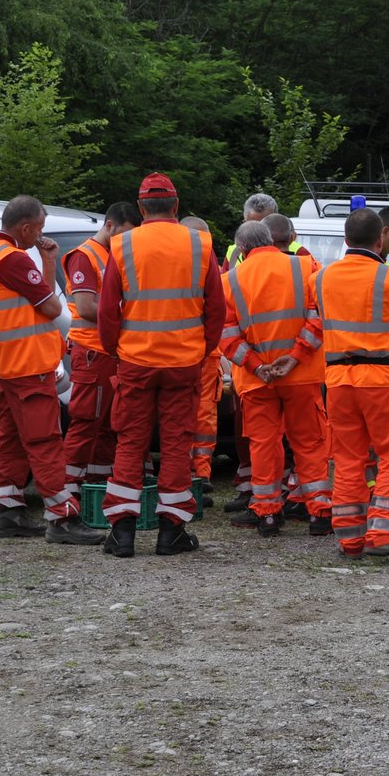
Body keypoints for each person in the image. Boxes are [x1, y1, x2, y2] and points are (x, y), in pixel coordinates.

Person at [99, 174, 225, 557]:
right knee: (176, 444)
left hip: (136, 359)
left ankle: (122, 533)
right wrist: (203, 349)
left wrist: (116, 351)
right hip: (184, 361)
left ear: (140, 209)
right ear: (176, 206)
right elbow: (216, 308)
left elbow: (107, 311)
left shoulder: (121, 246)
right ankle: (171, 532)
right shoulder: (200, 244)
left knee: (130, 442)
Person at [0, 196, 104, 544]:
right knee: (45, 440)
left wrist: (47, 261)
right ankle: (62, 517)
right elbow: (49, 306)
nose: (40, 235)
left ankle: (9, 509)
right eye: (40, 230)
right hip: (29, 364)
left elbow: (40, 300)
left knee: (13, 439)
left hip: (9, 363)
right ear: (26, 227)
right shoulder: (13, 260)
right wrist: (44, 267)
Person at [316, 208, 389, 560]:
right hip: (380, 378)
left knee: (348, 458)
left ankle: (350, 538)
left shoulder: (321, 277)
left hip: (337, 380)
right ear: (380, 238)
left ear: (346, 239)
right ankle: (383, 533)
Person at [220, 220, 331, 536]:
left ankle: (267, 513)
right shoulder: (307, 266)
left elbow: (227, 336)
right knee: (310, 443)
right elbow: (319, 317)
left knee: (264, 445)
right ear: (275, 240)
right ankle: (319, 512)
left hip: (257, 382)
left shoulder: (230, 280)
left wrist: (257, 366)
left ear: (241, 249)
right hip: (302, 375)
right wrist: (295, 357)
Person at [62, 201, 143, 500]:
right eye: (123, 234)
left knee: (111, 423)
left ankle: (97, 482)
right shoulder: (84, 256)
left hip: (110, 351)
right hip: (92, 351)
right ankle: (68, 488)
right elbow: (85, 307)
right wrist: (128, 319)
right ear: (109, 226)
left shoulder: (113, 254)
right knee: (86, 421)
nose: (126, 241)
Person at [180, 215, 224, 488]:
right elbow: (217, 311)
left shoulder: (176, 264)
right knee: (197, 413)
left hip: (188, 351)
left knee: (193, 413)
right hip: (199, 350)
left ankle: (195, 475)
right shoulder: (208, 264)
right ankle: (194, 475)